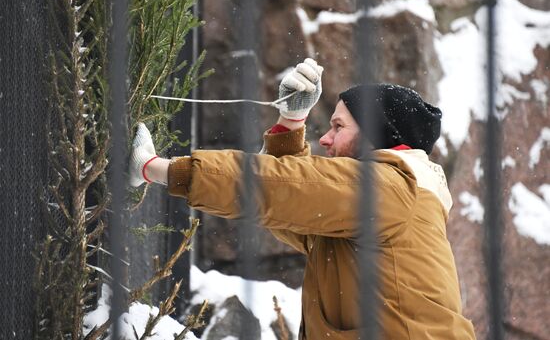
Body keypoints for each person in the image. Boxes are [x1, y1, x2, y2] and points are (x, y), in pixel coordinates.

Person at [129, 58, 476, 339]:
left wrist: (155, 169)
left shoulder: (389, 189)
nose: (325, 139)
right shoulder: (382, 202)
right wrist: (291, 122)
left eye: (339, 127)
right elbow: (289, 203)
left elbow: (280, 189)